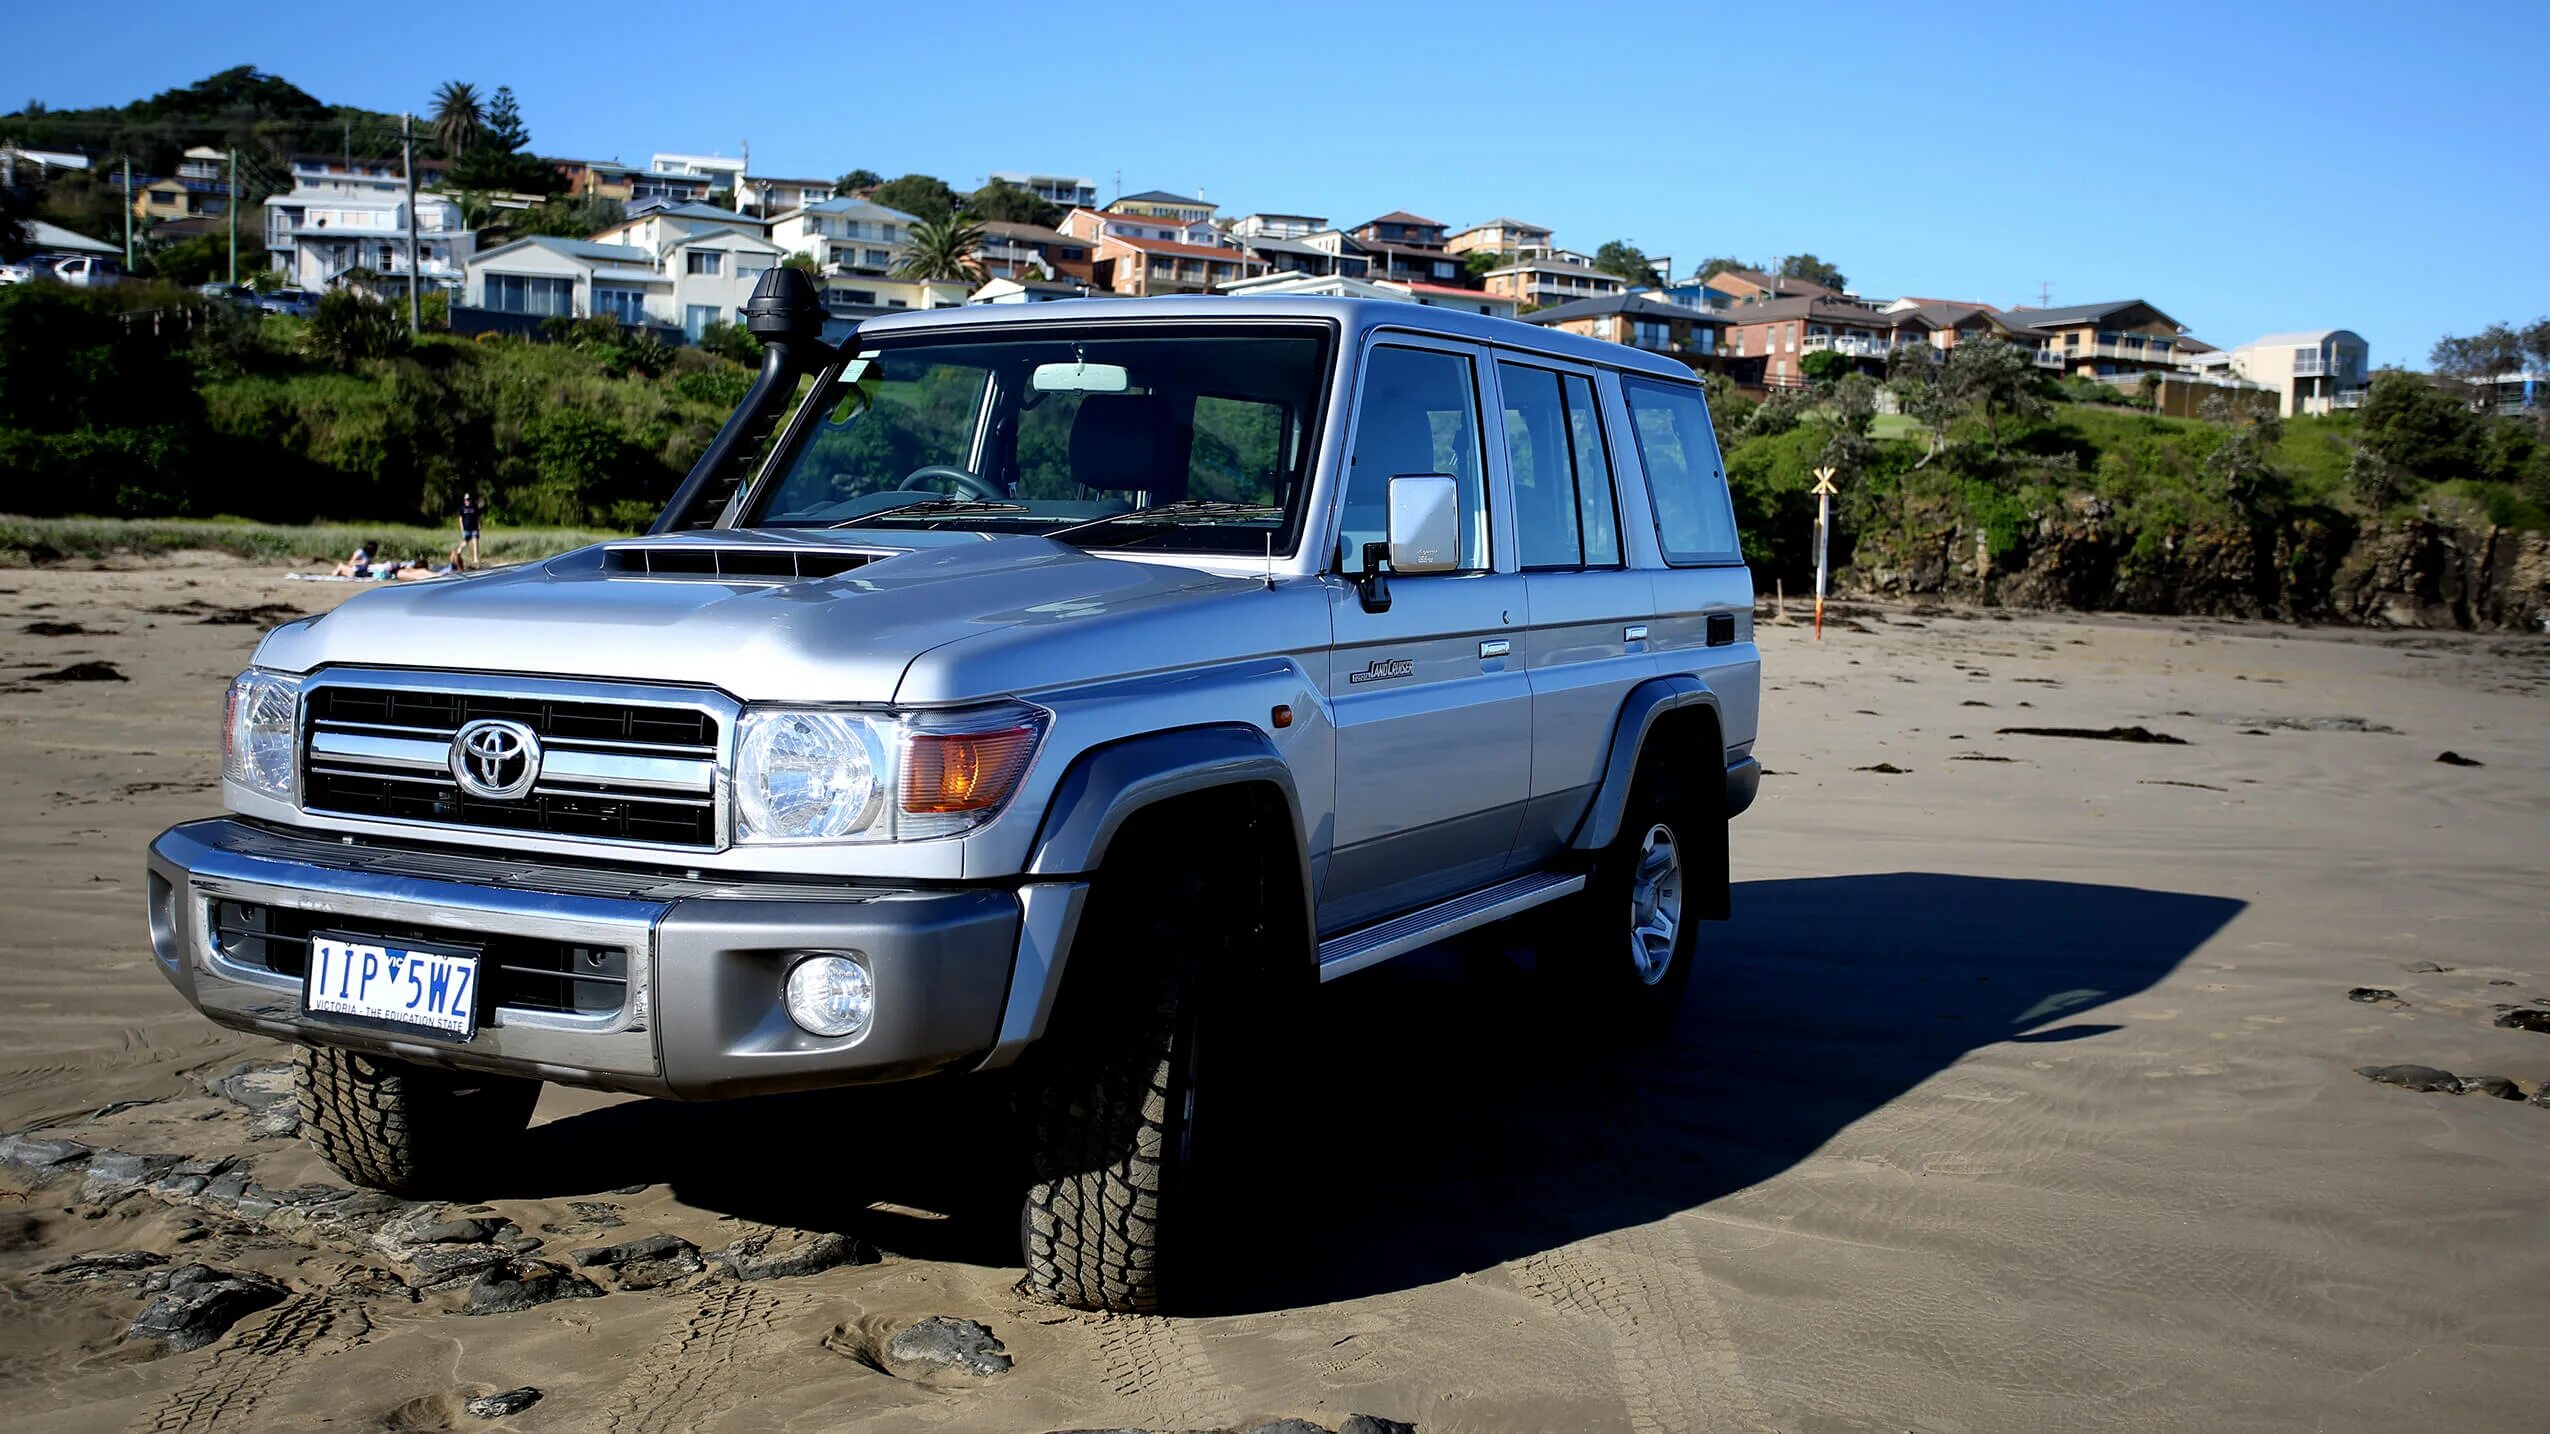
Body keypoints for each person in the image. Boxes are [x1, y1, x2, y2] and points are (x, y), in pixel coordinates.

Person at [458, 491, 483, 567]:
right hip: (466, 529)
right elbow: (460, 519)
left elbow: (478, 517)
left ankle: (475, 558)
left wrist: (479, 524)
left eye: (468, 499)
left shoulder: (474, 507)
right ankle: (458, 552)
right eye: (466, 499)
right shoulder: (462, 508)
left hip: (474, 528)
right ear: (464, 500)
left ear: (471, 500)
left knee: (475, 542)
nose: (467, 501)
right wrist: (461, 528)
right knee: (465, 542)